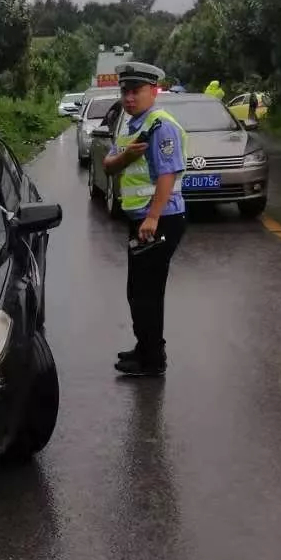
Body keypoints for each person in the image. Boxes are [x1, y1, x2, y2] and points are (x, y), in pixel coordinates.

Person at [101, 62, 188, 377]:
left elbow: (167, 175)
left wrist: (151, 217)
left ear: (154, 91)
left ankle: (152, 360)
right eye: (125, 91)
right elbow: (109, 164)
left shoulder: (159, 126)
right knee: (138, 290)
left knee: (146, 293)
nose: (129, 97)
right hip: (140, 220)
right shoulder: (130, 125)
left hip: (160, 220)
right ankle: (146, 348)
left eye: (136, 91)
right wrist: (126, 157)